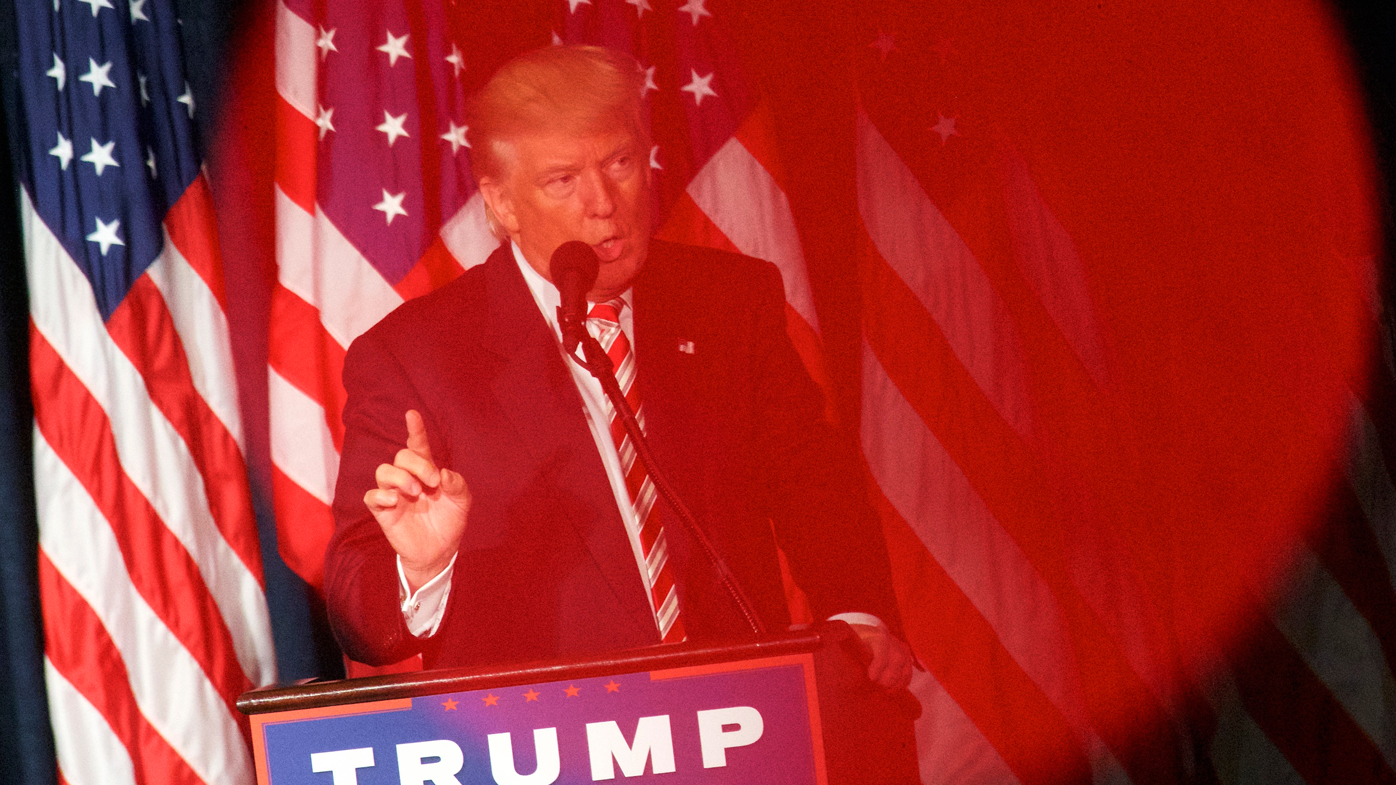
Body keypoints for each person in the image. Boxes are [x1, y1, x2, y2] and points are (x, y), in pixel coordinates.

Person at [324, 44, 914, 690]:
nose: (603, 202)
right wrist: (422, 566)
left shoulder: (730, 302)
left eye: (621, 163)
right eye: (562, 180)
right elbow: (359, 615)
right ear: (503, 203)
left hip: (742, 717)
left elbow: (814, 487)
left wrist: (855, 614)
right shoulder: (412, 356)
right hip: (547, 738)